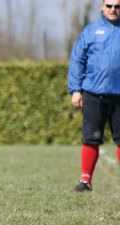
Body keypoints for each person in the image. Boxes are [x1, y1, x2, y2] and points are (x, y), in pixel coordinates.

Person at [68, 0, 120, 192]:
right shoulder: (90, 32)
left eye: (117, 6)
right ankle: (86, 181)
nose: (113, 9)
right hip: (93, 94)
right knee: (91, 137)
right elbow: (77, 60)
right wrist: (75, 89)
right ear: (102, 6)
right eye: (110, 6)